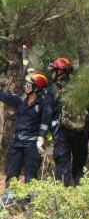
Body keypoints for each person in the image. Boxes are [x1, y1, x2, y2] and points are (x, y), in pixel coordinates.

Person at [47, 57, 89, 187]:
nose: (52, 73)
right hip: (81, 132)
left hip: (62, 133)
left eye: (53, 70)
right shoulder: (81, 88)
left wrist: (42, 134)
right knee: (79, 165)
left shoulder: (54, 89)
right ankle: (81, 194)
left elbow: (47, 112)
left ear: (59, 72)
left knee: (62, 164)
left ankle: (64, 195)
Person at [0, 71, 53, 206]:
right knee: (12, 171)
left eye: (28, 84)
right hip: (17, 143)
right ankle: (8, 200)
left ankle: (30, 202)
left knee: (30, 174)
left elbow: (46, 120)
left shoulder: (42, 105)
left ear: (35, 87)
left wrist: (41, 137)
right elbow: (5, 96)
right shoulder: (21, 101)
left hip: (32, 146)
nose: (25, 86)